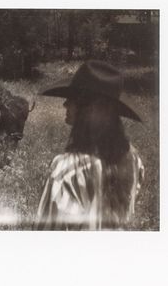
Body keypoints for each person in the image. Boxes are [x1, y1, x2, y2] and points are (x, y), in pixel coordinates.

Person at [35, 60, 144, 230]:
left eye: (71, 98)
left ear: (89, 109)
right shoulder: (134, 159)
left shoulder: (65, 170)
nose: (65, 104)